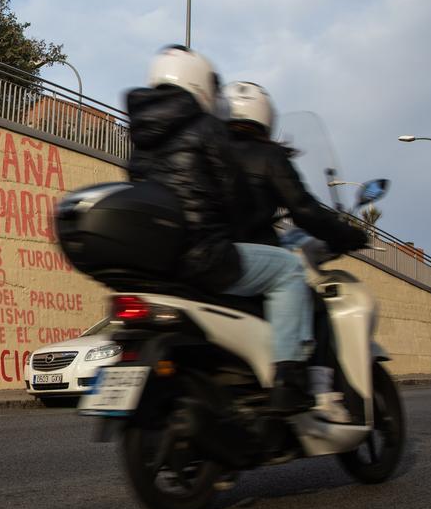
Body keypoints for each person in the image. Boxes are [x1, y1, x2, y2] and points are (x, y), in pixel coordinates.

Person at [125, 46, 319, 413]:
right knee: (289, 270)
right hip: (205, 254)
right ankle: (290, 379)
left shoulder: (142, 140)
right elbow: (232, 195)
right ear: (200, 84)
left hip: (163, 260)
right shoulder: (206, 129)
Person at [222, 81, 369, 420]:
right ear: (265, 116)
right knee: (310, 298)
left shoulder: (209, 152)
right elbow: (304, 209)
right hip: (245, 261)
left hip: (206, 258)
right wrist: (347, 234)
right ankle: (312, 386)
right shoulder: (268, 155)